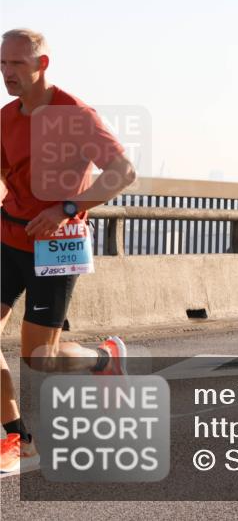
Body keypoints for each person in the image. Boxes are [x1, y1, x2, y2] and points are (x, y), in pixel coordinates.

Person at [0, 29, 136, 474]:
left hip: (56, 247)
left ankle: (104, 358)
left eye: (17, 64)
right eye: (2, 63)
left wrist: (67, 208)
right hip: (8, 237)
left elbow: (123, 171)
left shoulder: (75, 115)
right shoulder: (6, 118)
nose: (7, 73)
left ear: (42, 65)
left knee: (39, 357)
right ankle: (19, 441)